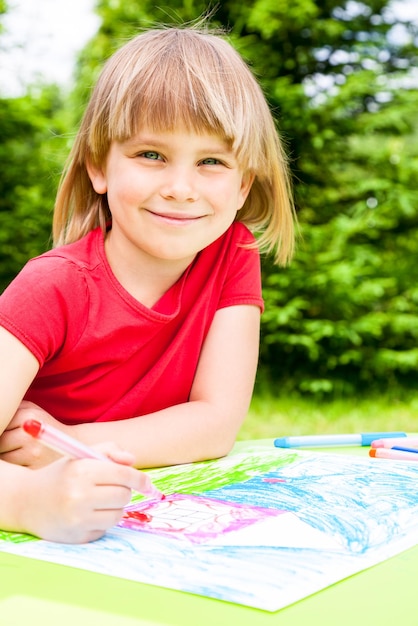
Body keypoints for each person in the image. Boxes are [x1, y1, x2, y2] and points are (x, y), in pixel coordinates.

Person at [0, 24, 296, 542]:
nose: (181, 189)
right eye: (151, 155)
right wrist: (31, 501)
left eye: (211, 162)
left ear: (243, 181)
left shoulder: (232, 255)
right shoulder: (51, 287)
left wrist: (70, 442)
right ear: (99, 165)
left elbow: (216, 422)